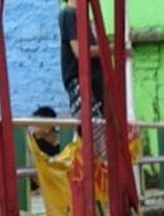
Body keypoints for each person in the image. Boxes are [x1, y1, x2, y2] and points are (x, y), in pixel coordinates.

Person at [59, 0, 106, 154]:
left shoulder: (83, 17)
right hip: (81, 83)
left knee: (102, 136)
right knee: (97, 140)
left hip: (94, 83)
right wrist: (111, 49)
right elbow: (80, 51)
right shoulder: (68, 14)